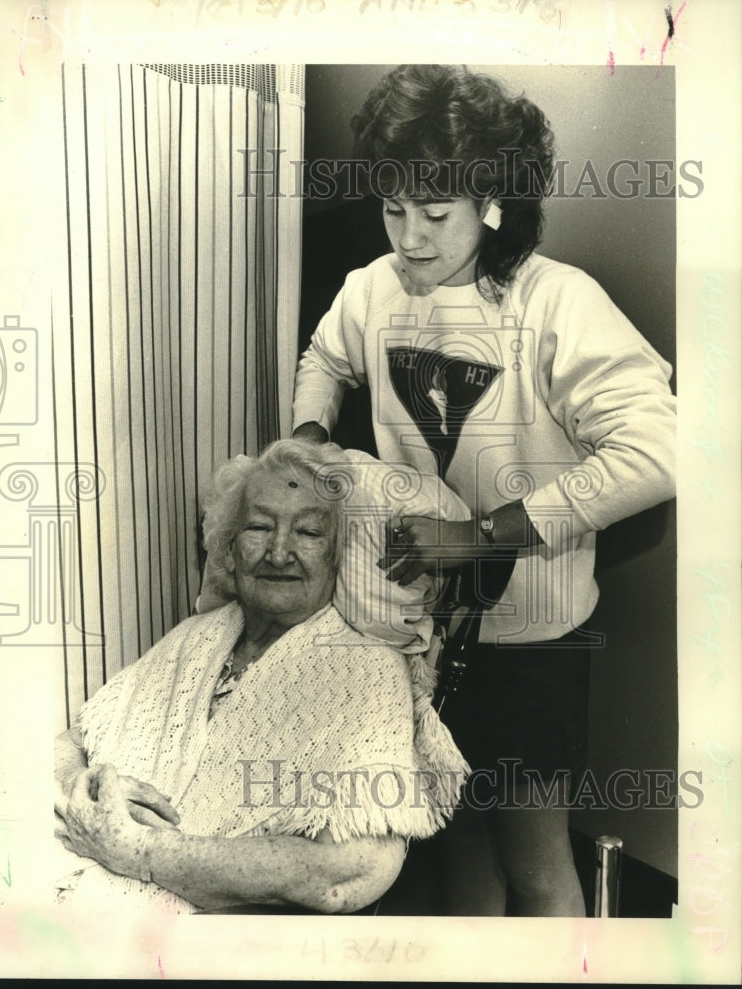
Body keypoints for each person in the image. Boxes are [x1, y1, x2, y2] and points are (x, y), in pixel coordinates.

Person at [292, 64, 677, 916]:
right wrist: (313, 437)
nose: (411, 238)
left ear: (492, 202)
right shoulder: (370, 288)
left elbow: (660, 449)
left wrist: (482, 535)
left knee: (535, 857)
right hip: (415, 636)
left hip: (532, 639)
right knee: (454, 838)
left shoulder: (558, 302)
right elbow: (324, 358)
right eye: (394, 209)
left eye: (436, 214)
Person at [54, 438, 468, 914]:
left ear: (341, 554)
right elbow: (72, 740)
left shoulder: (366, 667)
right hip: (99, 886)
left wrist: (143, 853)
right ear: (229, 547)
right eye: (258, 527)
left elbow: (352, 869)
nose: (278, 552)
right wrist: (88, 784)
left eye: (309, 533)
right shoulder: (197, 636)